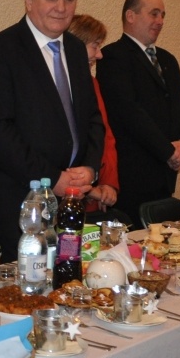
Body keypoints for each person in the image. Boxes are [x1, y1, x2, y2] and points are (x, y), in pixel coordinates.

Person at [0, 0, 106, 257]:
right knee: (28, 285)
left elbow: (93, 119)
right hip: (19, 201)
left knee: (69, 278)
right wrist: (52, 179)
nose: (61, 7)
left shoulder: (75, 49)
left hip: (73, 200)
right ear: (29, 0)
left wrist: (90, 168)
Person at [96, 0, 180, 225]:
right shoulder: (113, 57)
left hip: (165, 177)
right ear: (130, 16)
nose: (160, 21)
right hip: (133, 177)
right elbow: (129, 113)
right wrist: (168, 151)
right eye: (154, 14)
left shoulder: (168, 60)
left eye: (163, 15)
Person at [66, 13, 126, 223]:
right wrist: (88, 188)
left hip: (91, 199)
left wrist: (108, 183)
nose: (99, 55)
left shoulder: (92, 83)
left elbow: (104, 136)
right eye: (95, 46)